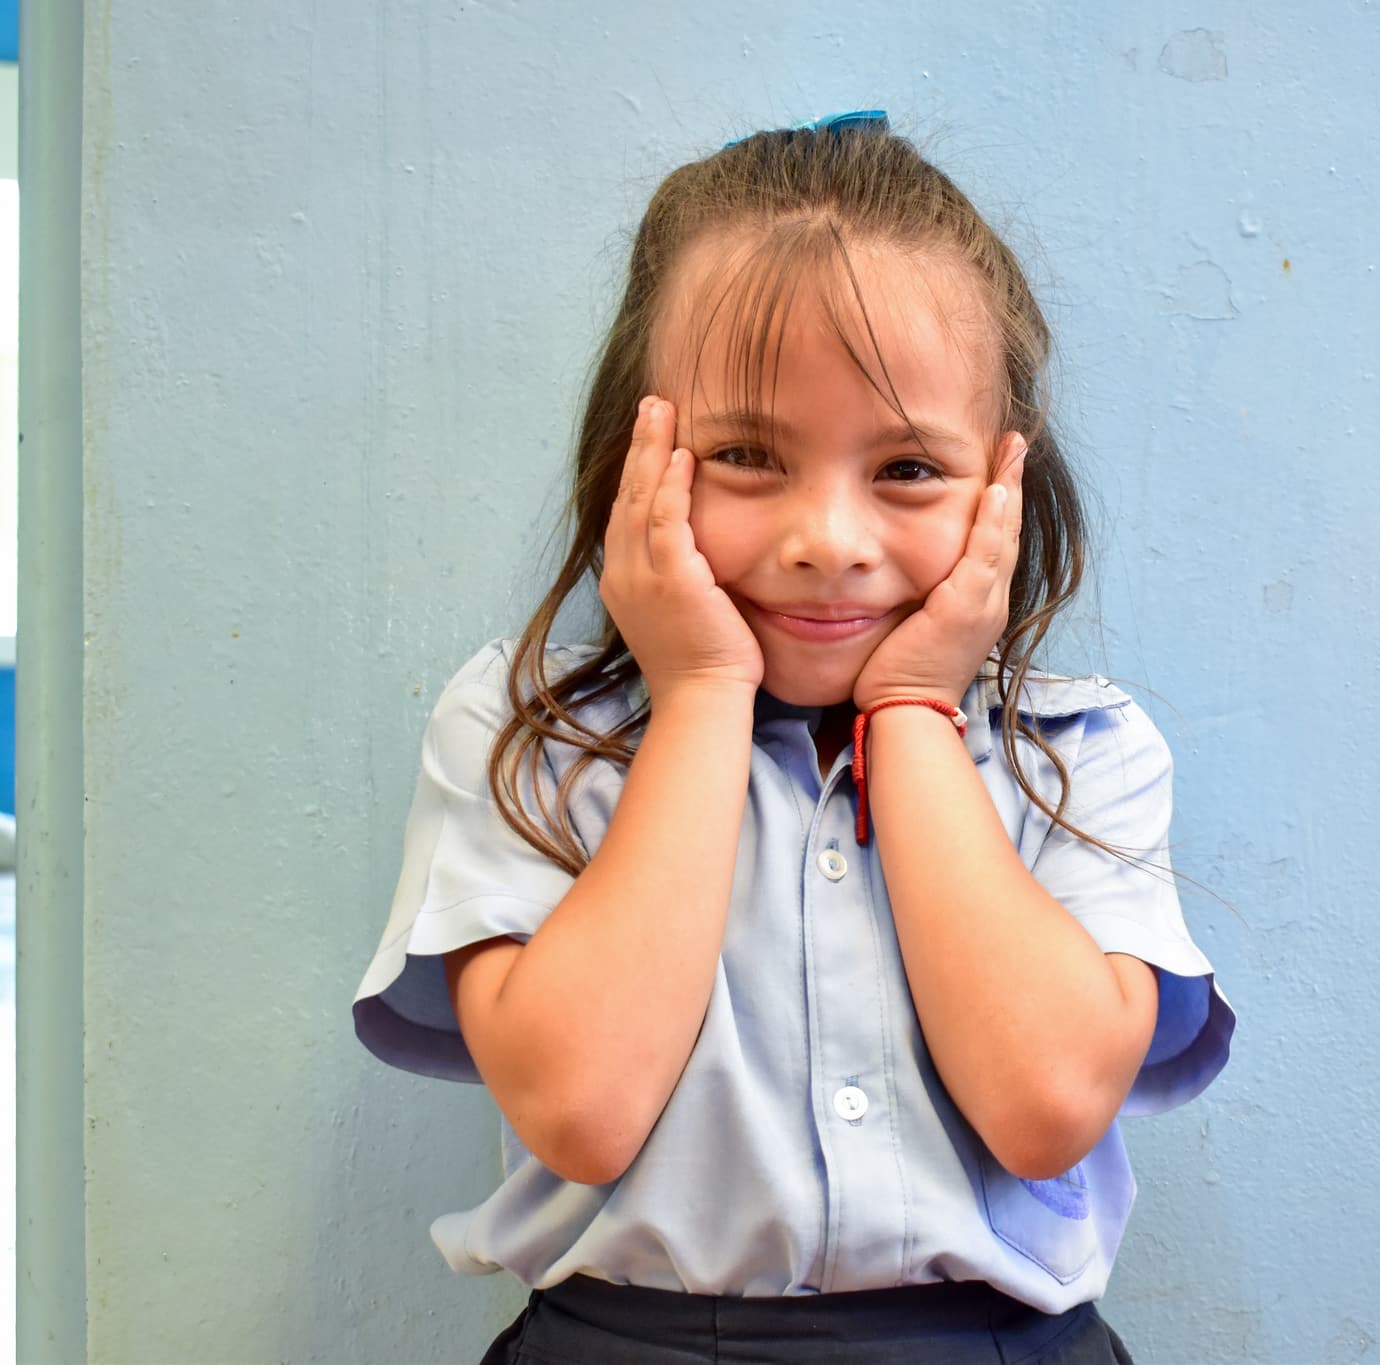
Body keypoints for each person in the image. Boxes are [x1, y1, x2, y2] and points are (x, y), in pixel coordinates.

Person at [351, 110, 1234, 1365]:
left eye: (908, 471)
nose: (828, 538)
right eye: (746, 456)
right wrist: (704, 692)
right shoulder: (525, 732)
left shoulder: (1081, 749)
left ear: (1001, 482)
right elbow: (579, 1111)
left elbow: (1044, 1110)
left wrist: (916, 710)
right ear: (633, 459)